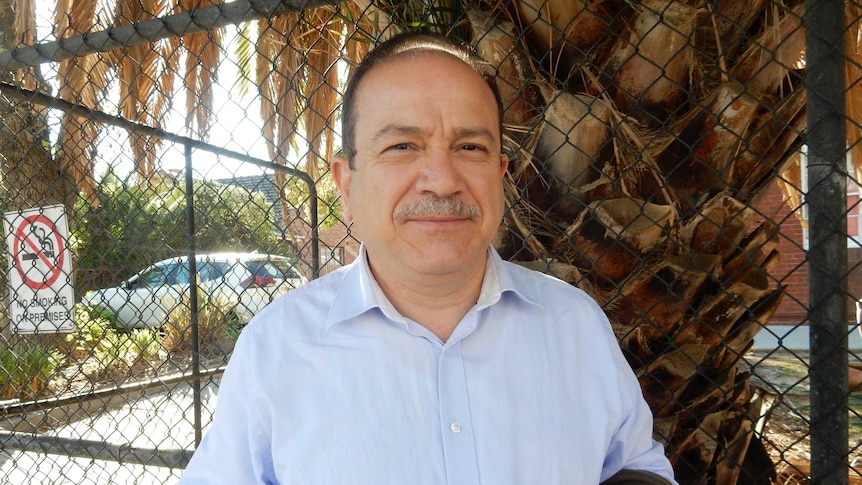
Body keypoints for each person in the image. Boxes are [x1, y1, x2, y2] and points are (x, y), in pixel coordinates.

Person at [180, 31, 677, 485]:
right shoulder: (275, 351)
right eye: (402, 146)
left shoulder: (575, 326)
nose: (441, 179)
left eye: (469, 146)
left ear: (500, 174)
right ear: (346, 183)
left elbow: (636, 466)